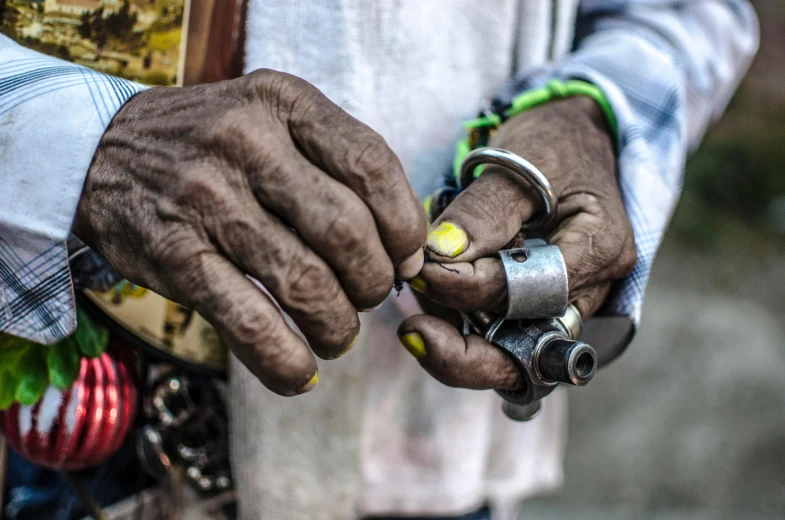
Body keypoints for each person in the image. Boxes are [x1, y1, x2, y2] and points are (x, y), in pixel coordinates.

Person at [0, 1, 758, 519]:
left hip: (426, 464)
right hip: (42, 430)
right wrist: (70, 146)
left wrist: (596, 110)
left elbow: (684, 16)